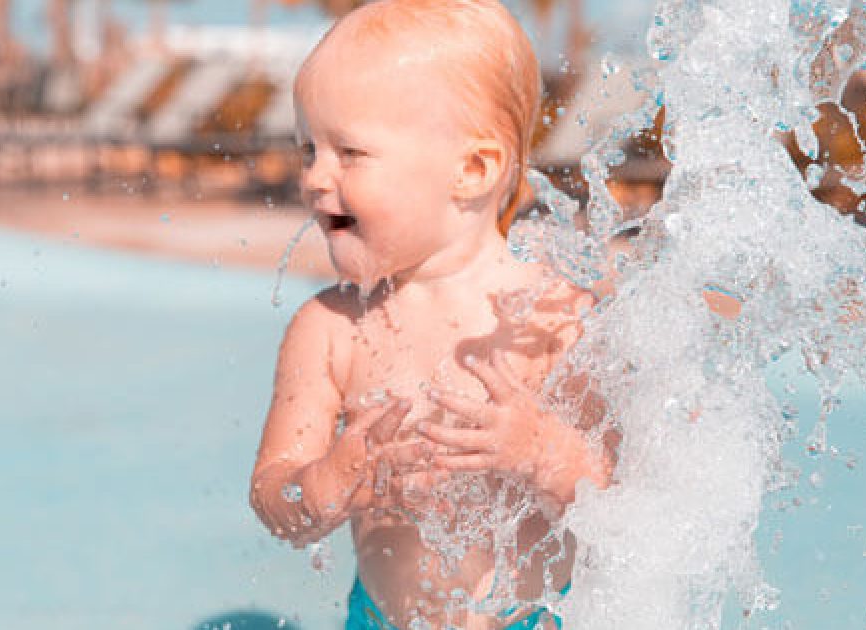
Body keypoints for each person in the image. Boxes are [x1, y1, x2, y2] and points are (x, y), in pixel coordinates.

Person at [249, 1, 613, 628]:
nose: (314, 177)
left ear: (473, 169)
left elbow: (625, 513)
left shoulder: (557, 321)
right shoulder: (331, 329)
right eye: (309, 149)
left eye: (350, 152)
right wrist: (328, 483)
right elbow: (272, 497)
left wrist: (543, 453)